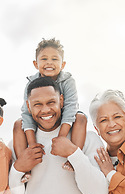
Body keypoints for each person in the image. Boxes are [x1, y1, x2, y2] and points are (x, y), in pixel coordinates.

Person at [13, 37, 87, 175]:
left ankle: (73, 158)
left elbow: (71, 107)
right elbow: (27, 112)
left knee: (81, 118)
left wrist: (62, 137)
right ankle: (25, 167)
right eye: (44, 59)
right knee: (18, 123)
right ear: (36, 63)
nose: (49, 63)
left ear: (63, 64)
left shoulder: (68, 81)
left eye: (54, 59)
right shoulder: (31, 83)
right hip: (40, 118)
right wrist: (32, 143)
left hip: (62, 117)